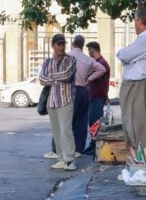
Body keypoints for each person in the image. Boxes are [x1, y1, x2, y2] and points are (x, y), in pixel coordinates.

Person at [116, 8, 146, 158]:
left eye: (135, 20)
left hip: (140, 86)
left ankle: (144, 163)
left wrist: (129, 58)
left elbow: (123, 54)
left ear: (140, 21)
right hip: (137, 86)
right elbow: (127, 57)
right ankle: (137, 161)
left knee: (140, 128)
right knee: (131, 125)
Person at [39, 34, 78, 171]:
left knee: (65, 130)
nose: (61, 47)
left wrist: (51, 77)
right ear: (53, 46)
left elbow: (67, 75)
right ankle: (61, 158)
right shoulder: (47, 62)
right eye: (59, 44)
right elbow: (41, 79)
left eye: (63, 44)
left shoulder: (70, 59)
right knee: (56, 132)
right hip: (51, 101)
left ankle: (70, 160)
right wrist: (56, 77)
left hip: (65, 99)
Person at [68, 35, 107, 154]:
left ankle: (64, 148)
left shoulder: (67, 57)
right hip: (84, 92)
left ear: (73, 44)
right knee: (82, 122)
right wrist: (88, 79)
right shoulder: (88, 59)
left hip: (71, 90)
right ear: (82, 45)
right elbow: (102, 70)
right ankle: (79, 149)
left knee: (67, 121)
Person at [82, 41, 111, 155]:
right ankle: (92, 145)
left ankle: (95, 148)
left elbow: (103, 84)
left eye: (89, 50)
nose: (88, 52)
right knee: (92, 123)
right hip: (94, 97)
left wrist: (105, 96)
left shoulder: (101, 64)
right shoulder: (98, 62)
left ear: (93, 50)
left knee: (95, 123)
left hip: (97, 97)